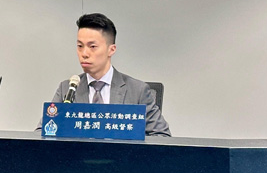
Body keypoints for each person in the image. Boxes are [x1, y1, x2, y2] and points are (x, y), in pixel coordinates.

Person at [40, 13, 170, 136]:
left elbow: (161, 136)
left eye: (92, 47)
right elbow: (43, 133)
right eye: (80, 46)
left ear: (111, 50)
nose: (84, 53)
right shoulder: (67, 89)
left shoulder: (137, 91)